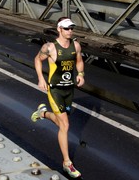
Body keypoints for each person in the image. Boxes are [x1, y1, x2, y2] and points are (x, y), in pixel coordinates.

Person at [31, 17, 85, 178]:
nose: (70, 31)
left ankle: (43, 113)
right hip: (55, 90)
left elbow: (79, 61)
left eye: (71, 28)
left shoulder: (76, 45)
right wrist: (41, 78)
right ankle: (67, 163)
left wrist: (81, 74)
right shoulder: (50, 47)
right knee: (65, 125)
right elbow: (37, 59)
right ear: (59, 29)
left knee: (61, 122)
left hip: (69, 90)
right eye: (67, 28)